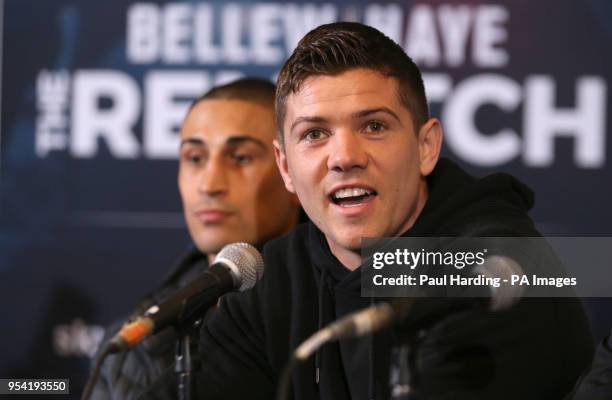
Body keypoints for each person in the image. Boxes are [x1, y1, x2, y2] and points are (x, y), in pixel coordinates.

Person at [185, 22, 594, 400]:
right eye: (314, 134)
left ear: (426, 147)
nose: (344, 157)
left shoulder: (503, 269)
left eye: (374, 126)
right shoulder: (267, 283)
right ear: (286, 167)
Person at [89, 78, 301, 399]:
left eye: (241, 157)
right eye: (195, 158)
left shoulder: (346, 303)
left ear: (293, 170)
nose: (210, 184)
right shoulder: (133, 342)